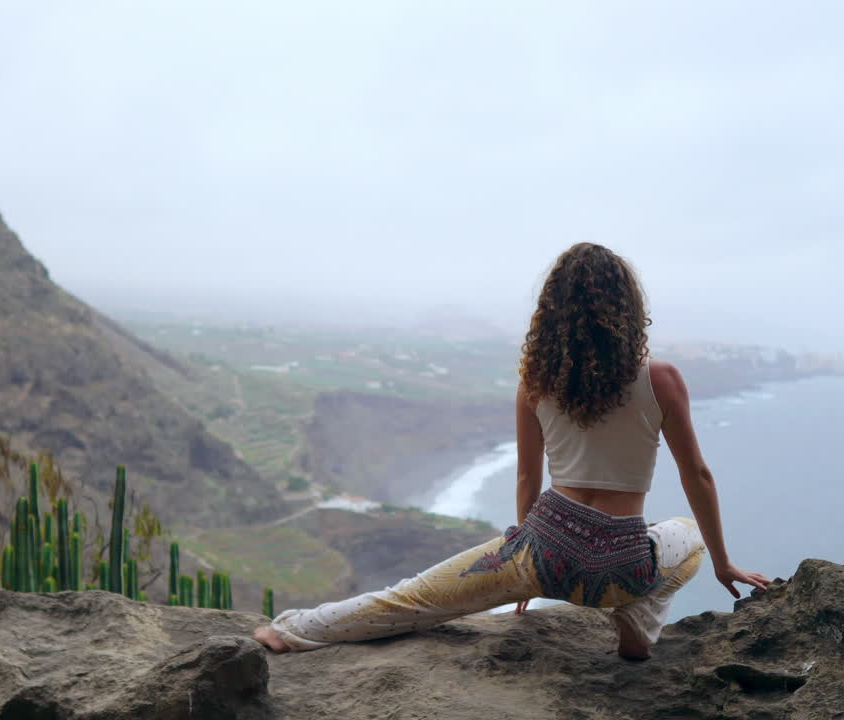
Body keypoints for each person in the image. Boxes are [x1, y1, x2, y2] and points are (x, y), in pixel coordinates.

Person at [253, 243, 769, 659]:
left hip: (543, 552)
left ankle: (296, 632)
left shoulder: (536, 381)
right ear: (627, 309)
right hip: (621, 564)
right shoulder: (662, 379)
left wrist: (525, 569)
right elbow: (696, 475)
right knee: (686, 535)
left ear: (554, 313)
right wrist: (725, 565)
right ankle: (637, 619)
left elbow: (528, 479)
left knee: (417, 597)